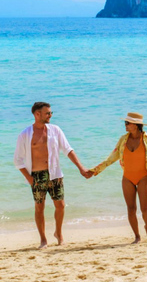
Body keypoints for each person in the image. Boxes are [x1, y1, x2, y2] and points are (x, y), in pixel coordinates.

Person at [13, 101, 91, 248]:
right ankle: (43, 239)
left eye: (50, 112)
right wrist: (30, 179)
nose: (50, 115)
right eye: (47, 113)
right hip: (36, 176)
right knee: (39, 208)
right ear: (37, 114)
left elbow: (68, 149)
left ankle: (58, 233)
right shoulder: (25, 134)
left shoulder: (55, 130)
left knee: (60, 205)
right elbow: (17, 160)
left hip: (55, 174)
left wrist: (81, 167)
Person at [88, 112, 147, 244]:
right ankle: (137, 236)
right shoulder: (123, 140)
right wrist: (95, 170)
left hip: (144, 176)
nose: (125, 125)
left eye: (128, 123)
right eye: (125, 123)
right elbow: (112, 157)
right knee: (131, 208)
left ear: (136, 125)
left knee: (145, 209)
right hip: (127, 177)